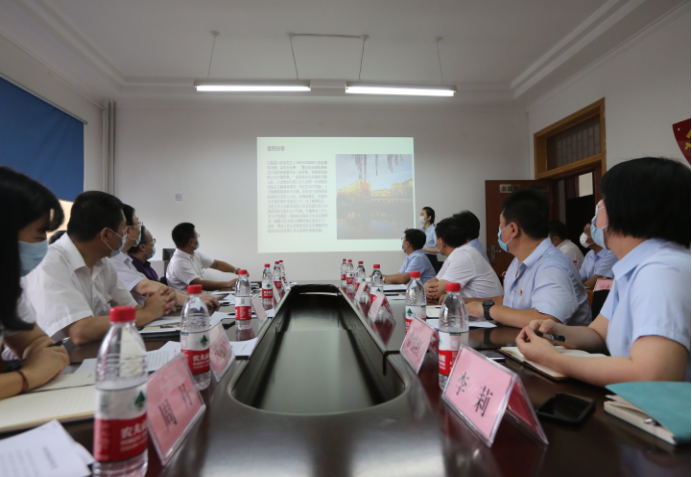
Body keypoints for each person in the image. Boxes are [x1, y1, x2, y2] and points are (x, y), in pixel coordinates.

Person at [516, 157, 691, 386]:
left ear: (629, 208)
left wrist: (552, 359)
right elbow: (598, 334)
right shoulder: (635, 267)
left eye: (605, 200)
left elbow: (653, 376)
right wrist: (555, 331)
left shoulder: (661, 271)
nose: (598, 209)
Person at [23, 191, 171, 346]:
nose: (125, 235)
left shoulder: (103, 263)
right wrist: (149, 312)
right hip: (44, 356)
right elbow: (80, 331)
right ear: (106, 235)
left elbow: (131, 310)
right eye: (123, 229)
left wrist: (161, 304)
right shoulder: (49, 264)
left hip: (86, 351)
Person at [465, 189, 591, 328]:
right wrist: (468, 303)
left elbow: (546, 320)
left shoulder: (552, 267)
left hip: (554, 342)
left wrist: (488, 310)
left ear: (513, 230)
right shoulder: (518, 261)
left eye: (501, 226)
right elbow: (510, 302)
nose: (499, 233)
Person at [0, 167, 70, 399]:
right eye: (39, 237)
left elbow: (35, 341)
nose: (42, 246)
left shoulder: (6, 286)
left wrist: (46, 354)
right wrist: (29, 376)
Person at [114, 206, 219, 311]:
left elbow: (159, 291)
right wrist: (192, 299)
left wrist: (192, 297)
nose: (139, 228)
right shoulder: (114, 261)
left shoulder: (127, 261)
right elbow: (144, 287)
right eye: (138, 224)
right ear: (127, 230)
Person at [424, 218, 503, 303]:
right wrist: (425, 287)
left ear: (441, 241)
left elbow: (435, 293)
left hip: (487, 309)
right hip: (473, 307)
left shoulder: (464, 256)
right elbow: (435, 280)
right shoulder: (457, 253)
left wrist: (426, 288)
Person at [166, 223, 240, 292]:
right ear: (191, 242)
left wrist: (237, 271)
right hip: (188, 300)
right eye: (197, 236)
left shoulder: (194, 254)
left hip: (202, 297)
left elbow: (216, 264)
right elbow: (197, 283)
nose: (198, 238)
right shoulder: (178, 262)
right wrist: (227, 284)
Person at [579, 222, 618, 288]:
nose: (583, 235)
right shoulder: (589, 254)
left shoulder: (612, 253)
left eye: (586, 231)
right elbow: (579, 279)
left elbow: (594, 282)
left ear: (597, 235)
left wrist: (579, 286)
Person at [419, 207, 441, 272]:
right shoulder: (422, 230)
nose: (420, 217)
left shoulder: (434, 230)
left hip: (431, 259)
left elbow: (439, 249)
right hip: (421, 258)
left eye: (422, 214)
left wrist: (424, 249)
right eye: (420, 214)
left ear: (429, 217)